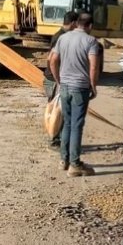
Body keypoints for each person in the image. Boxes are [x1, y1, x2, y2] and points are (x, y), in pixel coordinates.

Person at [48, 11, 102, 176]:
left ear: (77, 23)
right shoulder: (91, 41)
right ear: (90, 26)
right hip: (80, 88)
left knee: (68, 123)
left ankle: (63, 160)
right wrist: (93, 86)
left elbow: (52, 61)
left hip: (64, 86)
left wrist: (59, 80)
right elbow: (93, 67)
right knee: (77, 125)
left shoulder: (63, 38)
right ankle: (75, 164)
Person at [44, 11, 80, 150]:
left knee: (56, 109)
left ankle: (56, 139)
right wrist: (59, 81)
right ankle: (55, 141)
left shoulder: (61, 35)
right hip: (55, 80)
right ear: (73, 23)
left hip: (54, 78)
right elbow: (52, 61)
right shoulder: (61, 37)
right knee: (59, 111)